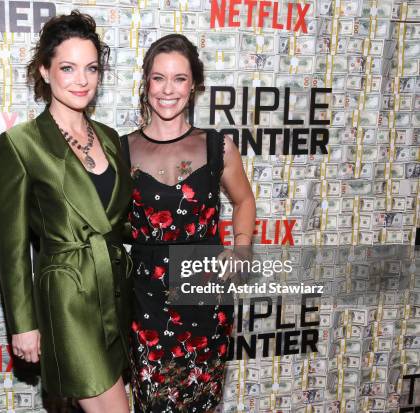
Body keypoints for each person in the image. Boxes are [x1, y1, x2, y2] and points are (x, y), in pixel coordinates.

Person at [0, 11, 133, 413]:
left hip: (113, 292)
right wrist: (23, 324)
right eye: (68, 68)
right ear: (45, 70)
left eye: (91, 68)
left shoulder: (108, 137)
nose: (82, 80)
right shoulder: (22, 144)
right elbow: (13, 245)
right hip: (67, 297)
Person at [121, 34, 256, 412]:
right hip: (145, 298)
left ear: (193, 85)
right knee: (152, 402)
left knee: (201, 401)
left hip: (206, 297)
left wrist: (242, 245)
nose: (168, 89)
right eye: (158, 77)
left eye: (179, 78)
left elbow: (244, 199)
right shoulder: (119, 150)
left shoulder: (218, 147)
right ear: (145, 83)